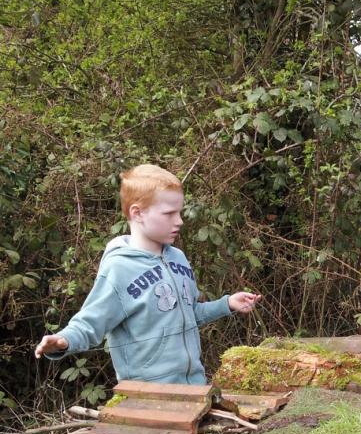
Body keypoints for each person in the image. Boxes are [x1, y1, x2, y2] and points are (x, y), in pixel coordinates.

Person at [34, 164, 259, 383]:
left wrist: (227, 304)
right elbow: (91, 323)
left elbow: (190, 314)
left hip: (194, 386)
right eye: (169, 213)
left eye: (179, 212)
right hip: (146, 395)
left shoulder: (178, 258)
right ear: (137, 213)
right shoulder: (119, 268)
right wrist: (64, 340)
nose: (179, 221)